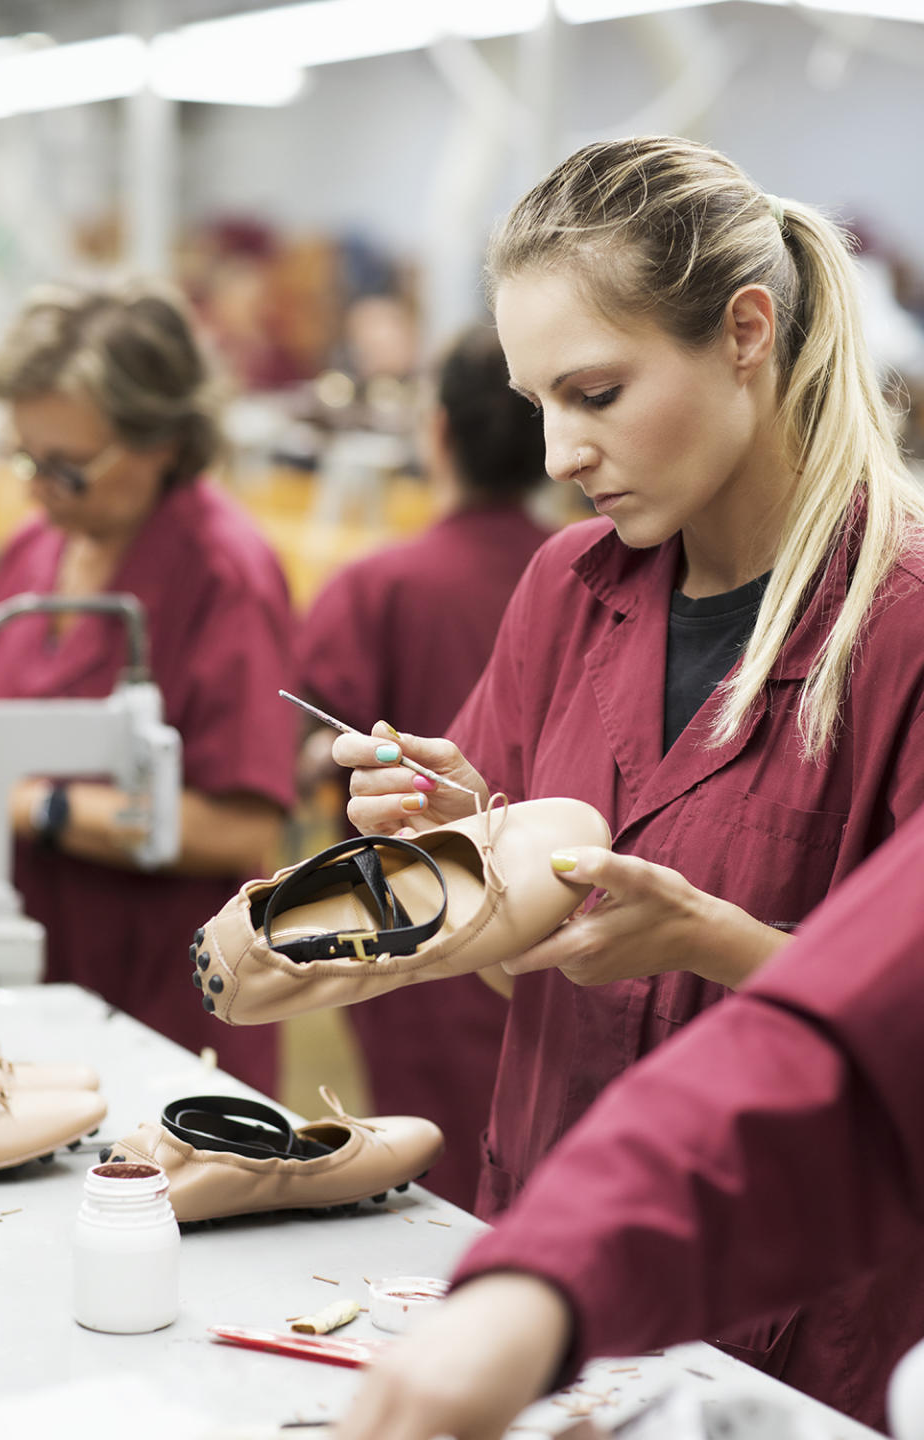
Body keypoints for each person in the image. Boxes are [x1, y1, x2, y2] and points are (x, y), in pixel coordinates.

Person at [332, 135, 924, 1426]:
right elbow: (509, 965)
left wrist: (709, 940)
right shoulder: (567, 590)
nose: (557, 453)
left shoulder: (903, 629)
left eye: (595, 394)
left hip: (780, 1334)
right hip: (543, 1256)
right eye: (538, 402)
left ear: (746, 332)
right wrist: (464, 851)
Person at [333, 795, 924, 1440]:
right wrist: (542, 1281)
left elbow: (863, 1044)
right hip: (590, 1212)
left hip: (815, 1324)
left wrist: (711, 935)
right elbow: (830, 1059)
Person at [0, 280, 298, 1094]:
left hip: (160, 1009)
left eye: (67, 469)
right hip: (27, 978)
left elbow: (242, 827)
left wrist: (32, 803)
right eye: (26, 460)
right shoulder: (40, 548)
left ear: (160, 441)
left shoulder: (223, 576)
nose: (38, 489)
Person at [297, 323, 550, 1210]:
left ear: (434, 433)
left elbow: (302, 755)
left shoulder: (382, 588)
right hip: (567, 926)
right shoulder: (594, 583)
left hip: (418, 935)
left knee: (437, 1191)